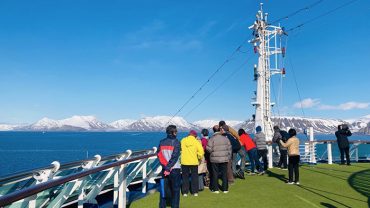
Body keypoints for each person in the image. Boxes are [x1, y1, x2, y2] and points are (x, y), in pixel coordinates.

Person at [157, 125, 181, 208]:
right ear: (173, 132)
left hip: (164, 169)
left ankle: (162, 206)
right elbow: (175, 156)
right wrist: (168, 168)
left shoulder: (161, 142)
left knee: (163, 189)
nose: (177, 133)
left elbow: (159, 155)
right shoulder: (177, 142)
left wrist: (165, 167)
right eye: (176, 131)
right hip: (174, 169)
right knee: (176, 190)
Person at [206, 125, 231, 194]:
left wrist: (212, 152)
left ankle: (215, 189)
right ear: (219, 130)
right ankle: (225, 189)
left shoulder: (212, 139)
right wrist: (227, 156)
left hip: (214, 159)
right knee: (224, 173)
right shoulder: (225, 138)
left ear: (213, 131)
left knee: (215, 173)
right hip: (224, 159)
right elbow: (229, 148)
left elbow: (208, 149)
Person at [180, 130, 204, 197]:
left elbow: (180, 149)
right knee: (194, 177)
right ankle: (195, 192)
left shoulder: (183, 140)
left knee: (185, 177)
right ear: (195, 136)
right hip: (194, 161)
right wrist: (199, 157)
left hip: (184, 161)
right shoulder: (196, 142)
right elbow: (201, 151)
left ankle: (185, 192)